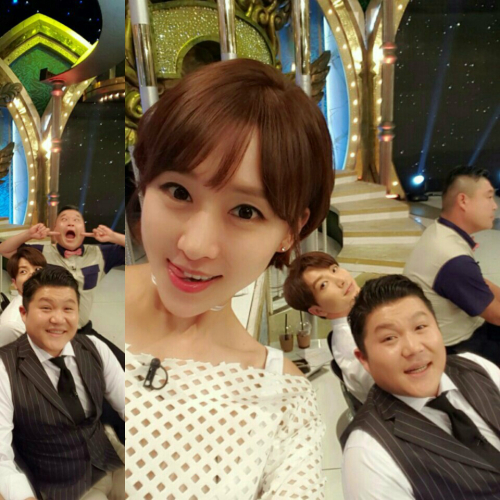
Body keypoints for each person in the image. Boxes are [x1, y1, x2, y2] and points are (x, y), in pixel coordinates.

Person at [126, 58, 334, 499]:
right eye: (179, 191)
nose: (196, 245)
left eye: (245, 211)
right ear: (144, 182)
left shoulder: (283, 400)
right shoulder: (65, 315)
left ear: (290, 231)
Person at [341, 275, 500, 499]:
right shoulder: (368, 455)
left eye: (420, 327)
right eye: (389, 338)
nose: (413, 348)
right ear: (364, 359)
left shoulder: (477, 367)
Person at [0, 266, 124, 500]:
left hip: (111, 455)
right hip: (65, 484)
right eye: (46, 308)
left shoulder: (94, 347)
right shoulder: (4, 368)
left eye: (68, 308)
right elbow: (1, 458)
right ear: (24, 313)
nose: (58, 319)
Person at [0, 206, 126, 366]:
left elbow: (138, 250)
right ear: (55, 230)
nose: (71, 223)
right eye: (64, 219)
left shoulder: (101, 254)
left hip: (82, 330)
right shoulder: (40, 253)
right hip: (51, 332)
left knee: (120, 364)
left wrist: (113, 237)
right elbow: (5, 250)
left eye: (76, 220)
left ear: (84, 229)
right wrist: (29, 234)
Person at [404, 166, 500, 365]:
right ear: (463, 201)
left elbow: (480, 283)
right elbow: (496, 316)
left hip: (458, 332)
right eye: (489, 197)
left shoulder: (439, 230)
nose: (495, 206)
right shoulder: (453, 258)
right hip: (456, 348)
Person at [283, 251, 373, 403]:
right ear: (318, 311)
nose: (340, 280)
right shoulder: (351, 341)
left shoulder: (363, 318)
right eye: (323, 284)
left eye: (334, 269)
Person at [0, 247, 46, 347]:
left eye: (38, 269)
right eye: (23, 271)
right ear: (15, 283)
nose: (32, 274)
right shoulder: (13, 325)